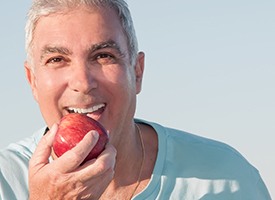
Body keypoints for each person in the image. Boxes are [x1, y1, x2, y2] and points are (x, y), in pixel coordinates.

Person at [0, 0, 271, 199]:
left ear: (137, 72)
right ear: (32, 81)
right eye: (57, 59)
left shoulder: (226, 177)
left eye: (103, 55)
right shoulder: (5, 181)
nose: (82, 82)